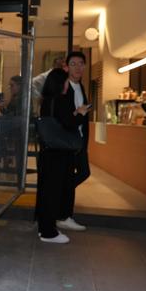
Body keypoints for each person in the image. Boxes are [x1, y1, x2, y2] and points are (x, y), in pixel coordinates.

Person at [35, 68, 91, 243]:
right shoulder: (60, 100)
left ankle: (44, 228)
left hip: (49, 151)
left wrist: (73, 114)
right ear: (60, 83)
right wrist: (80, 114)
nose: (68, 83)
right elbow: (68, 124)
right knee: (53, 192)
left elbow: (60, 121)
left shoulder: (47, 100)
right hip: (58, 153)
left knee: (46, 191)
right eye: (66, 81)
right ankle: (49, 233)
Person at [57, 51, 91, 232]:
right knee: (72, 176)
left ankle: (62, 210)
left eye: (81, 64)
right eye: (73, 64)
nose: (78, 67)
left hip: (79, 141)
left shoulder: (81, 87)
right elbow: (66, 120)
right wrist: (79, 114)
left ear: (84, 66)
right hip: (68, 142)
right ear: (67, 67)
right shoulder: (64, 88)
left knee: (83, 173)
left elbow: (80, 117)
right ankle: (64, 216)